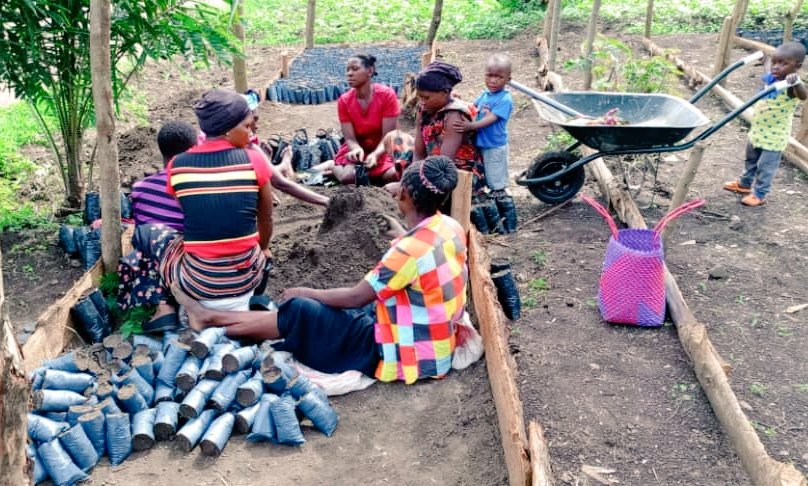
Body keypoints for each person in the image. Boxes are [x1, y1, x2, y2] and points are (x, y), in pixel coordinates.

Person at [172, 156, 468, 384]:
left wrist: (306, 291)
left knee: (303, 308)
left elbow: (355, 297)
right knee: (316, 314)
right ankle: (212, 318)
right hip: (432, 345)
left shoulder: (408, 251)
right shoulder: (450, 227)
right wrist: (403, 233)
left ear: (403, 195)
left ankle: (212, 319)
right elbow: (422, 259)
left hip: (401, 355)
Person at [159, 88, 273, 311]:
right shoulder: (254, 160)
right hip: (247, 279)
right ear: (228, 130)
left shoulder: (177, 166)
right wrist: (265, 248)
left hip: (199, 284)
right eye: (247, 126)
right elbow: (266, 217)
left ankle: (167, 305)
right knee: (262, 249)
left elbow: (191, 212)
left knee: (162, 240)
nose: (251, 132)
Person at [723, 41, 807, 206]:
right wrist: (765, 57)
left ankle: (759, 194)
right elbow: (769, 67)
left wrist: (796, 82)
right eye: (776, 62)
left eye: (784, 64)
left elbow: (803, 96)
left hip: (774, 138)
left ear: (797, 66)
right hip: (758, 131)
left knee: (765, 167)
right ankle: (744, 184)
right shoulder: (773, 76)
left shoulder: (792, 86)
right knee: (750, 160)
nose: (777, 67)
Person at [328, 54, 401, 185]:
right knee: (348, 178)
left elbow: (389, 136)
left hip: (383, 147)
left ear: (370, 71)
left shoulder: (387, 96)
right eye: (348, 70)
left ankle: (372, 172)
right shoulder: (344, 101)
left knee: (393, 176)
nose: (349, 73)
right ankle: (332, 166)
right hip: (358, 148)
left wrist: (375, 155)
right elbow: (350, 138)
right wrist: (356, 149)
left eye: (355, 69)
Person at [414, 61, 484, 191]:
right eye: (420, 97)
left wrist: (411, 185)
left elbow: (444, 164)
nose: (422, 102)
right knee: (396, 139)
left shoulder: (454, 115)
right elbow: (418, 153)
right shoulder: (423, 109)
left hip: (455, 173)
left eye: (426, 98)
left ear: (445, 93)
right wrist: (410, 177)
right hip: (430, 166)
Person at [453, 54, 513, 194]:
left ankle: (502, 200)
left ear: (508, 79)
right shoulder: (486, 94)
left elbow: (491, 119)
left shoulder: (505, 99)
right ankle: (491, 197)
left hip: (494, 145)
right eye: (489, 75)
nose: (493, 81)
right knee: (485, 172)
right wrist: (459, 101)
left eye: (499, 77)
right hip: (482, 143)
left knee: (496, 178)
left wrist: (471, 126)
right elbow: (473, 108)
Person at [130, 120, 197, 231]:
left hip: (149, 246)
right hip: (183, 247)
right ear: (193, 149)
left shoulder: (139, 189)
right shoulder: (196, 190)